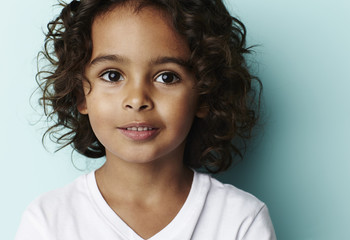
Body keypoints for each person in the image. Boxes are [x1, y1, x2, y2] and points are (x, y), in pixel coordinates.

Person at [15, 0, 276, 239]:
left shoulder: (241, 221)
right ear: (80, 94)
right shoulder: (47, 222)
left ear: (204, 95)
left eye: (167, 77)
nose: (138, 99)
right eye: (113, 76)